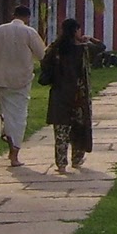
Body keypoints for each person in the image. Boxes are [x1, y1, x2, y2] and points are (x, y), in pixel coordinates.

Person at [0, 5, 46, 167]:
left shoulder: (1, 30)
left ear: (14, 15)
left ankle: (11, 151)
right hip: (21, 80)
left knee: (6, 115)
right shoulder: (29, 32)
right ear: (27, 17)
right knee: (19, 117)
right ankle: (14, 155)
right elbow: (42, 54)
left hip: (1, 79)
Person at [41, 17, 94, 173]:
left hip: (59, 94)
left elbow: (44, 64)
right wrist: (89, 39)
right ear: (75, 31)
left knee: (61, 131)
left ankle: (61, 164)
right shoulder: (82, 49)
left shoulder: (54, 48)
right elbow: (101, 47)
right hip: (79, 96)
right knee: (79, 128)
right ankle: (76, 160)